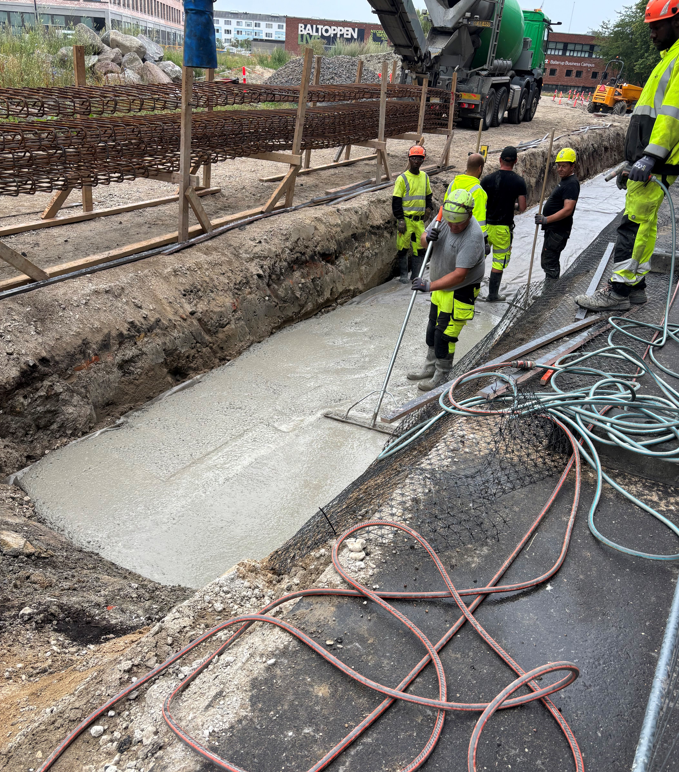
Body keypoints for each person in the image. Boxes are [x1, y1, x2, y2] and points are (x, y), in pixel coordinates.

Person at [575, 0, 679, 311]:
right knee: (641, 222)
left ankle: (618, 291)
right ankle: (637, 287)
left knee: (634, 224)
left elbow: (672, 117)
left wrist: (651, 157)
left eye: (656, 26)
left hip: (657, 159)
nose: (652, 33)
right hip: (649, 157)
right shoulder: (668, 59)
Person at [407, 189, 485, 391]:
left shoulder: (473, 236)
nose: (452, 226)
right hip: (441, 287)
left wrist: (429, 286)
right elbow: (424, 240)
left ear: (469, 215)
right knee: (432, 329)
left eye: (457, 224)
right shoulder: (446, 215)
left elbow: (460, 274)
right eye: (449, 222)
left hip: (460, 291)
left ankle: (442, 375)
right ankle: (429, 367)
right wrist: (427, 237)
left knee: (445, 336)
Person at [480, 146, 527, 301]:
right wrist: (509, 205)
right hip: (503, 229)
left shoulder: (487, 180)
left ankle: (469, 291)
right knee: (498, 263)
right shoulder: (519, 182)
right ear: (515, 161)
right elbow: (522, 207)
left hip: (485, 228)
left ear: (500, 159)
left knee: (476, 259)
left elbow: (481, 203)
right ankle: (493, 294)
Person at [535, 148, 580, 292]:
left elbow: (568, 209)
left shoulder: (571, 184)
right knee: (548, 259)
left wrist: (546, 219)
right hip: (553, 230)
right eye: (558, 165)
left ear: (572, 166)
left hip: (558, 231)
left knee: (550, 262)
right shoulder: (565, 181)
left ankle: (548, 296)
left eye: (564, 166)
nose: (560, 169)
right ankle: (549, 294)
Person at [392, 145, 433, 283]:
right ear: (409, 159)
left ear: (423, 160)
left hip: (418, 222)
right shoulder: (402, 179)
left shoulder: (425, 177)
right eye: (414, 158)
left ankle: (416, 276)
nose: (416, 161)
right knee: (403, 248)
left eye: (419, 158)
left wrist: (428, 208)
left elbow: (428, 195)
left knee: (419, 249)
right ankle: (403, 276)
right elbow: (396, 201)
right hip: (406, 220)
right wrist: (400, 219)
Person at [445, 153, 488, 240]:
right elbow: (479, 220)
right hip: (467, 237)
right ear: (480, 168)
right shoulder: (478, 191)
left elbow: (445, 209)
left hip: (450, 233)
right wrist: (483, 239)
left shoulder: (453, 184)